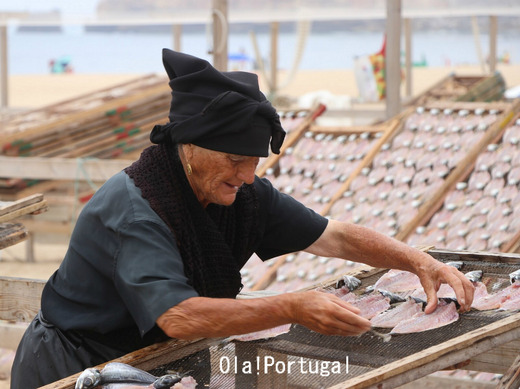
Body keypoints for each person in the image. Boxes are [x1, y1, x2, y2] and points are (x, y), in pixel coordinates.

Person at [11, 49, 475, 388]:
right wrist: (291, 306)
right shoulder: (137, 208)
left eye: (255, 159)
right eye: (235, 158)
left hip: (155, 361)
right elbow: (178, 315)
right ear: (188, 146)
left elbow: (333, 237)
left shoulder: (244, 192)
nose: (248, 174)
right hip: (77, 365)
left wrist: (416, 261)